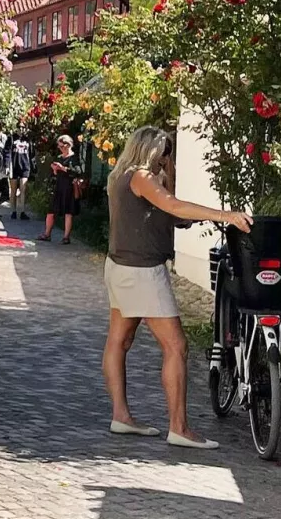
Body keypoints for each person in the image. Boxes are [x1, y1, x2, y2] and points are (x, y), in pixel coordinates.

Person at [102, 126, 253, 450]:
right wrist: (226, 215)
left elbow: (158, 214)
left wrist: (169, 181)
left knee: (120, 341)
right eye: (165, 152)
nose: (168, 158)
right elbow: (174, 206)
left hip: (119, 266)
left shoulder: (120, 176)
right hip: (143, 272)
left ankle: (121, 416)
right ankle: (179, 427)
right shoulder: (142, 176)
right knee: (177, 347)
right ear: (153, 151)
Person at [39, 134, 81, 244]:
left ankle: (66, 237)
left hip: (69, 187)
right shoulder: (58, 158)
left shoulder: (74, 158)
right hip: (58, 187)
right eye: (59, 147)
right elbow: (54, 175)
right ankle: (47, 234)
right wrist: (54, 169)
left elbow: (77, 171)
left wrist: (63, 168)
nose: (60, 149)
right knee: (51, 211)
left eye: (62, 146)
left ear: (68, 145)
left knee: (68, 212)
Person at [7, 126, 33, 220]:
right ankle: (13, 211)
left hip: (25, 167)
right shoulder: (11, 138)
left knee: (23, 188)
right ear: (16, 128)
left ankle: (22, 211)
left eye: (24, 127)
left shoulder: (28, 140)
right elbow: (7, 153)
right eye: (20, 127)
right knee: (13, 190)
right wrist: (7, 166)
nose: (22, 129)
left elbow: (31, 154)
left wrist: (33, 167)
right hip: (14, 167)